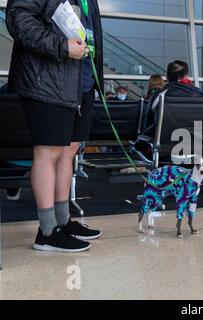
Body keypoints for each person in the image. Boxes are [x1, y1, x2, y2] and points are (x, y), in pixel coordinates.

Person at [6, 0, 104, 253]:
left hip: (81, 84)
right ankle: (47, 232)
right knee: (48, 152)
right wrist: (61, 46)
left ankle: (63, 221)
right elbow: (18, 19)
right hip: (47, 83)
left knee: (68, 151)